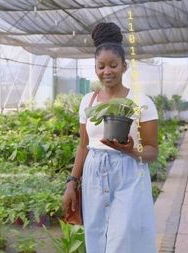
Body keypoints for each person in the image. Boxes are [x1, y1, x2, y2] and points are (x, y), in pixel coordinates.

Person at [62, 22, 158, 253]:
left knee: (123, 241)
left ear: (124, 66)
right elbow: (83, 145)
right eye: (101, 66)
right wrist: (72, 183)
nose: (107, 72)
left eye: (113, 65)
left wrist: (131, 151)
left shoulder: (141, 102)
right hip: (95, 176)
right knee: (97, 238)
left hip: (129, 176)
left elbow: (153, 151)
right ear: (95, 68)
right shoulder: (88, 101)